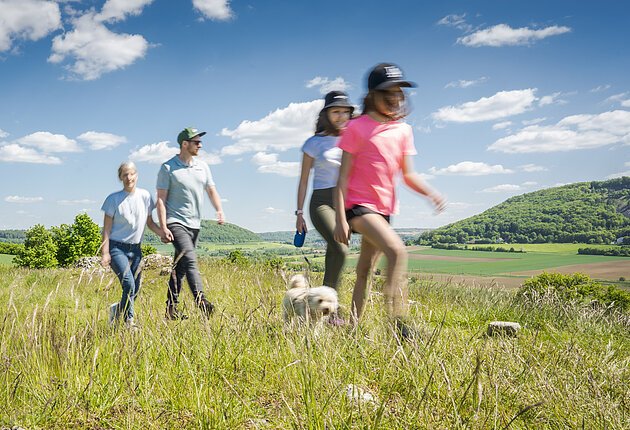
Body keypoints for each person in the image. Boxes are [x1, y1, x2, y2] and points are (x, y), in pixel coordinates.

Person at [333, 63, 446, 340]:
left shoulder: (403, 130)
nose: (395, 97)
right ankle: (398, 323)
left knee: (364, 271)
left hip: (383, 210)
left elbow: (408, 174)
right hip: (358, 206)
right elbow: (343, 179)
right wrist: (339, 219)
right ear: (372, 94)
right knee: (397, 251)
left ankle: (353, 330)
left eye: (398, 91)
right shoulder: (356, 128)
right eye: (388, 92)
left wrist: (430, 192)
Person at [296, 91, 354, 323]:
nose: (341, 116)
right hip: (321, 201)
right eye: (335, 111)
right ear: (326, 114)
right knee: (341, 248)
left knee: (334, 254)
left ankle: (322, 309)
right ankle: (332, 310)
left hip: (348, 201)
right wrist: (299, 213)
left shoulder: (354, 139)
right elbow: (303, 180)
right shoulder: (314, 143)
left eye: (345, 112)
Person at [156, 127, 225, 320]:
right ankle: (201, 301)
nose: (200, 145)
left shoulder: (203, 166)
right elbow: (161, 199)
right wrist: (163, 226)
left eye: (200, 142)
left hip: (195, 223)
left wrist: (219, 209)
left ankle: (171, 310)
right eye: (196, 142)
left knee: (181, 267)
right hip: (175, 221)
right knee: (190, 259)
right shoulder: (168, 168)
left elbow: (211, 190)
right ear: (184, 144)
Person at [101, 161, 164, 329]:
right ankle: (129, 322)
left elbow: (150, 223)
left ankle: (117, 311)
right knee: (128, 283)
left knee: (135, 289)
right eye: (125, 175)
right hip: (116, 248)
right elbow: (106, 229)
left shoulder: (145, 196)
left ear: (137, 175)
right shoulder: (113, 199)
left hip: (136, 250)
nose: (129, 177)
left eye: (131, 174)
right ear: (120, 178)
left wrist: (162, 234)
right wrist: (105, 252)